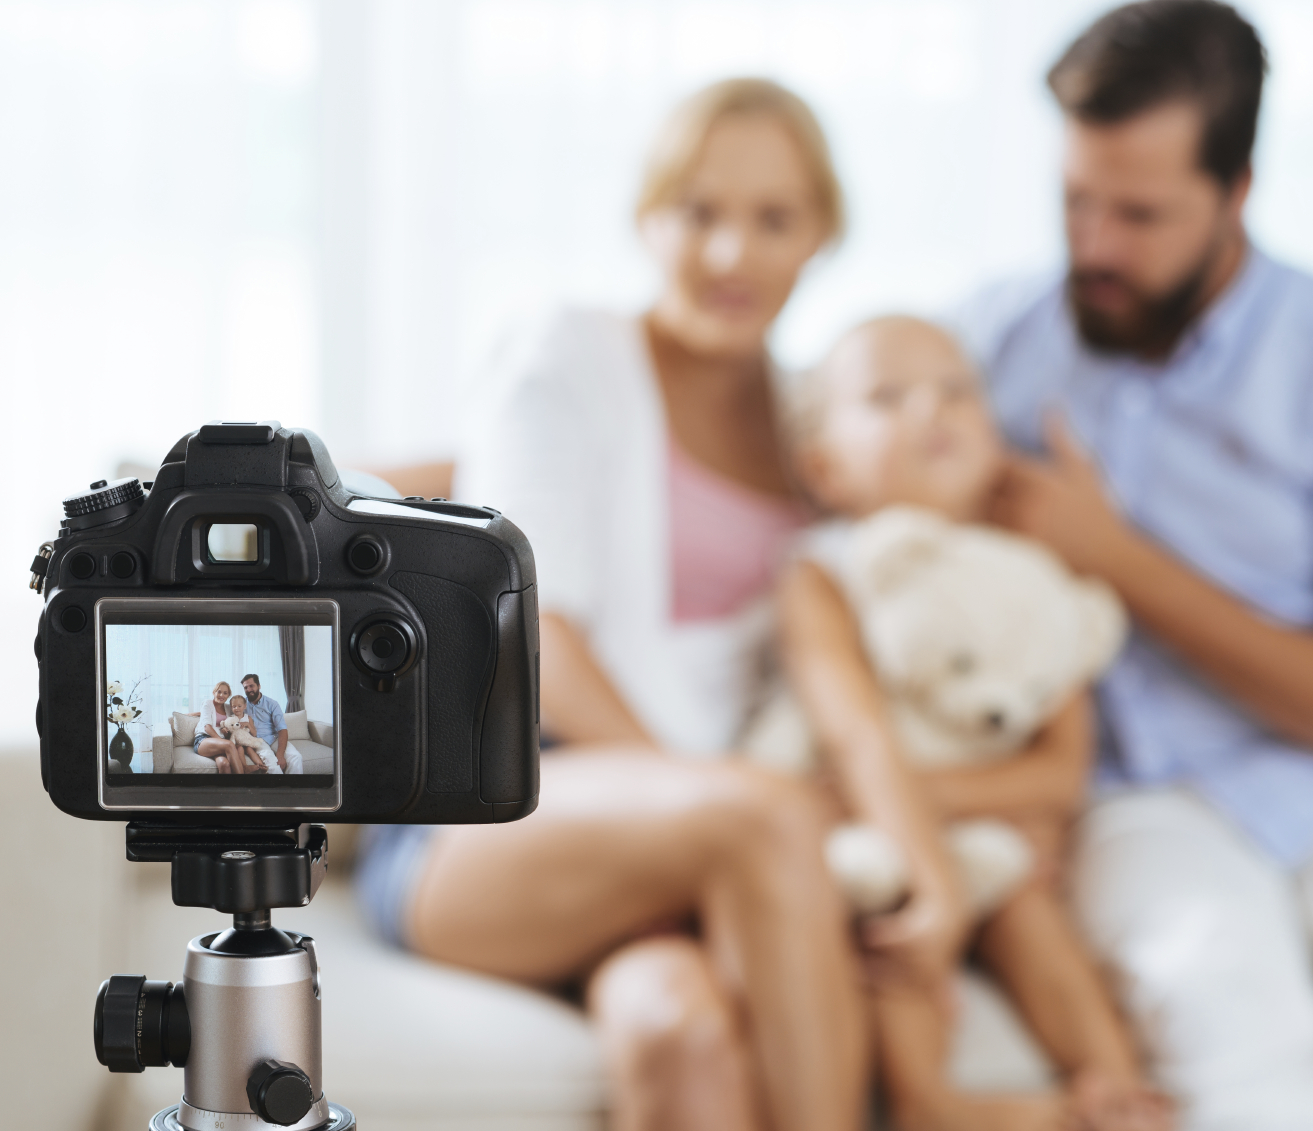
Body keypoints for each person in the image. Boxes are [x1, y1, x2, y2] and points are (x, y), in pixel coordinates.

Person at [356, 79, 961, 1131]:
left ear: (822, 233)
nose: (731, 254)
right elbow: (537, 635)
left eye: (773, 219)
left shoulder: (815, 428)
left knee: (671, 1026)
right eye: (699, 212)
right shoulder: (566, 353)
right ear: (646, 217)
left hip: (703, 857)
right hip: (505, 816)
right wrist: (715, 799)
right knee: (756, 816)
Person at [949, 3, 1313, 1128]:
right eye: (1075, 202)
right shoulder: (990, 347)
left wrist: (1115, 560)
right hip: (1142, 805)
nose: (1095, 247)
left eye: (1141, 213)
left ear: (1237, 191)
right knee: (1226, 1030)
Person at [781, 314, 1173, 1131]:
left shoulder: (1035, 580)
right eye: (887, 397)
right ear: (824, 465)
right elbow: (855, 739)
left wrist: (945, 804)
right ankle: (928, 1102)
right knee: (883, 914)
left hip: (956, 824)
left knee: (1024, 901)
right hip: (873, 834)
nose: (932, 408)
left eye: (957, 390)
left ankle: (1114, 1089)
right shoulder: (824, 575)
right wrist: (926, 847)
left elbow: (1060, 771)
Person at [240, 673, 299, 775]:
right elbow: (226, 709)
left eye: (251, 686)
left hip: (273, 738)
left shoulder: (272, 704)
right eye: (246, 687)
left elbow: (282, 729)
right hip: (257, 741)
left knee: (296, 757)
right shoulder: (241, 705)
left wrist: (280, 755)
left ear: (259, 686)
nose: (249, 690)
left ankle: (294, 789)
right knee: (271, 763)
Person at [195, 680, 243, 773]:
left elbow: (238, 717)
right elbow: (207, 727)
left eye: (225, 693)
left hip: (220, 744)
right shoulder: (208, 703)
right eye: (219, 692)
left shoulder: (229, 708)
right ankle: (242, 785)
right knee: (229, 745)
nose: (221, 695)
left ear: (228, 695)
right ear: (214, 692)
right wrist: (223, 741)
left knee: (224, 764)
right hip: (203, 740)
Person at [221, 695, 273, 774]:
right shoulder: (230, 719)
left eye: (239, 706)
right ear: (231, 707)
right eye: (234, 706)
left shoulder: (248, 718)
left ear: (244, 706)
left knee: (249, 748)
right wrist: (225, 731)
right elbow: (228, 735)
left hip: (247, 741)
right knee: (240, 748)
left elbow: (254, 734)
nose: (236, 708)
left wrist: (248, 724)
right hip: (237, 743)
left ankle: (261, 765)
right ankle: (245, 767)